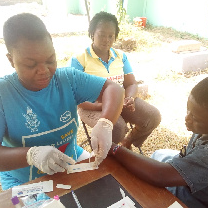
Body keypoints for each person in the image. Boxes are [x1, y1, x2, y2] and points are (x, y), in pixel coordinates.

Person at [0, 13, 124, 190]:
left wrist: (105, 122)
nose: (44, 71)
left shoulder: (67, 79)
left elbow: (114, 89)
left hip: (70, 164)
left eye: (50, 60)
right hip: (25, 182)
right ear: (11, 60)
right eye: (31, 64)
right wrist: (31, 154)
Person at [108, 74, 208, 208]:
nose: (187, 118)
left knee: (145, 199)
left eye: (196, 118)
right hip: (194, 186)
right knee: (156, 156)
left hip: (204, 207)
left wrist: (114, 149)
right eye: (189, 110)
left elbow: (160, 176)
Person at [67, 11, 161, 150]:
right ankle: (105, 156)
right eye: (102, 35)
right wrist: (104, 105)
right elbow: (76, 98)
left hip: (120, 101)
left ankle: (126, 142)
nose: (106, 39)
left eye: (111, 36)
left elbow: (131, 83)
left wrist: (129, 98)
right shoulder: (80, 59)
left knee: (152, 116)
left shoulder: (120, 56)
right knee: (116, 127)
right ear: (92, 33)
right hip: (90, 106)